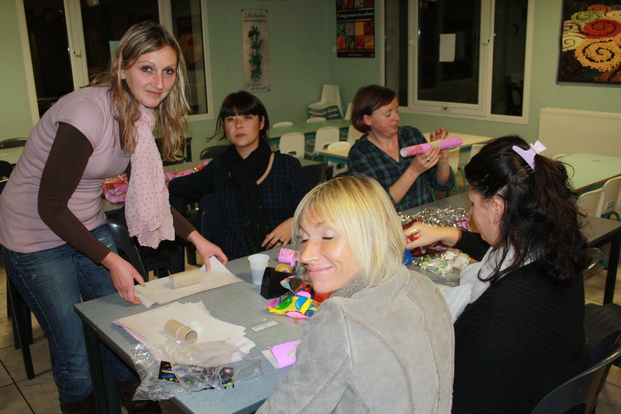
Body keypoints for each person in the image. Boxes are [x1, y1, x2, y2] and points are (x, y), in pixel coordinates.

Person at [0, 21, 227, 413]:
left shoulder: (139, 115)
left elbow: (152, 195)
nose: (158, 81)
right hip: (33, 236)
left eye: (168, 70)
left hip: (85, 223)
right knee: (76, 355)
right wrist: (112, 259)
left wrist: (197, 239)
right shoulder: (88, 112)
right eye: (146, 68)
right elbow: (50, 205)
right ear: (121, 66)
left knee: (128, 334)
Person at [405, 136, 592, 414]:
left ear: (496, 208)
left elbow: (462, 399)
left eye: (473, 204)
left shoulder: (499, 310)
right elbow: (498, 247)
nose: (471, 215)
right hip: (551, 391)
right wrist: (447, 234)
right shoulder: (557, 251)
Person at [257, 175, 454, 413]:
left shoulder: (339, 319)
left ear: (372, 236)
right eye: (303, 239)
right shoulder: (424, 286)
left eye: (328, 237)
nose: (306, 256)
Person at [168, 91, 307, 260]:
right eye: (230, 119)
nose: (238, 125)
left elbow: (309, 211)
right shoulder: (220, 166)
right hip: (230, 259)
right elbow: (181, 187)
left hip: (280, 259)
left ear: (261, 122)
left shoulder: (286, 166)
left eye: (247, 117)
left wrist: (292, 224)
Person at [347, 84, 454, 211]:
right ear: (367, 119)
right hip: (392, 225)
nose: (397, 118)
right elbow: (376, 205)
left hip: (425, 219)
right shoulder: (359, 154)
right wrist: (413, 171)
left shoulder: (411, 136)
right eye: (388, 114)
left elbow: (442, 185)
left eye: (396, 111)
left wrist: (443, 160)